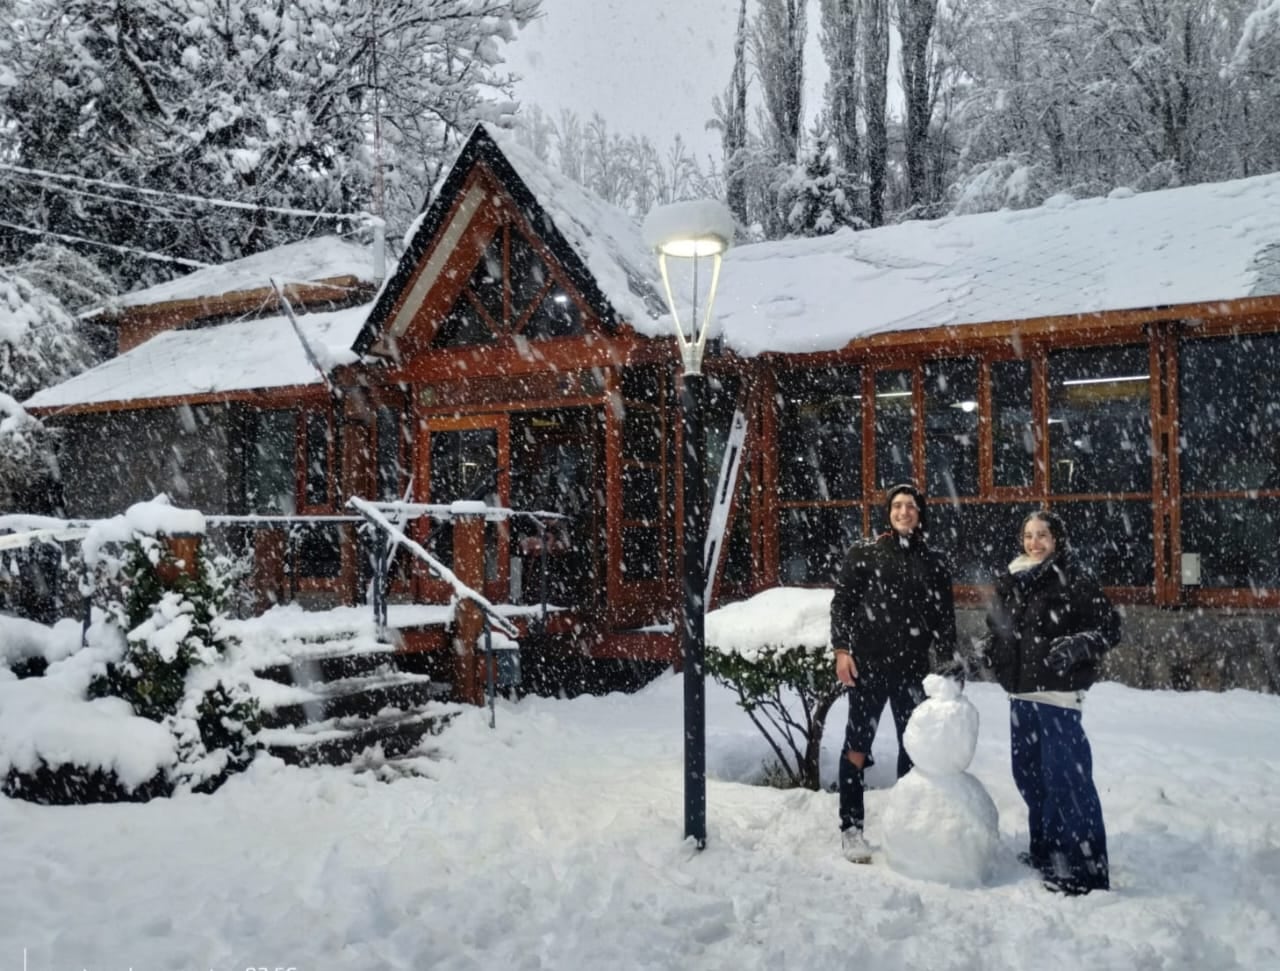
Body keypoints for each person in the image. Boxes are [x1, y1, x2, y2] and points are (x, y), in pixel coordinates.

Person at [981, 510, 1121, 895]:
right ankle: (1047, 851)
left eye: (1042, 534)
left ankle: (1082, 868)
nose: (1034, 542)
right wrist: (983, 654)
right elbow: (997, 633)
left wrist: (1080, 644)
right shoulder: (1011, 579)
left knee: (1067, 781)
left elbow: (1109, 628)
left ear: (1057, 539)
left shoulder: (1073, 579)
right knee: (1030, 777)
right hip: (1021, 695)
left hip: (1058, 696)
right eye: (1028, 535)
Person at [830, 483, 957, 863]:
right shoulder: (865, 554)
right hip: (867, 667)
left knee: (913, 749)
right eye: (897, 506)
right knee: (856, 748)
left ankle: (906, 826)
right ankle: (851, 828)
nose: (904, 512)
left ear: (921, 513)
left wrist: (949, 664)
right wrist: (841, 651)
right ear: (888, 512)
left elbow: (944, 621)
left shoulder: (934, 562)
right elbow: (842, 605)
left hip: (912, 670)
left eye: (911, 506)